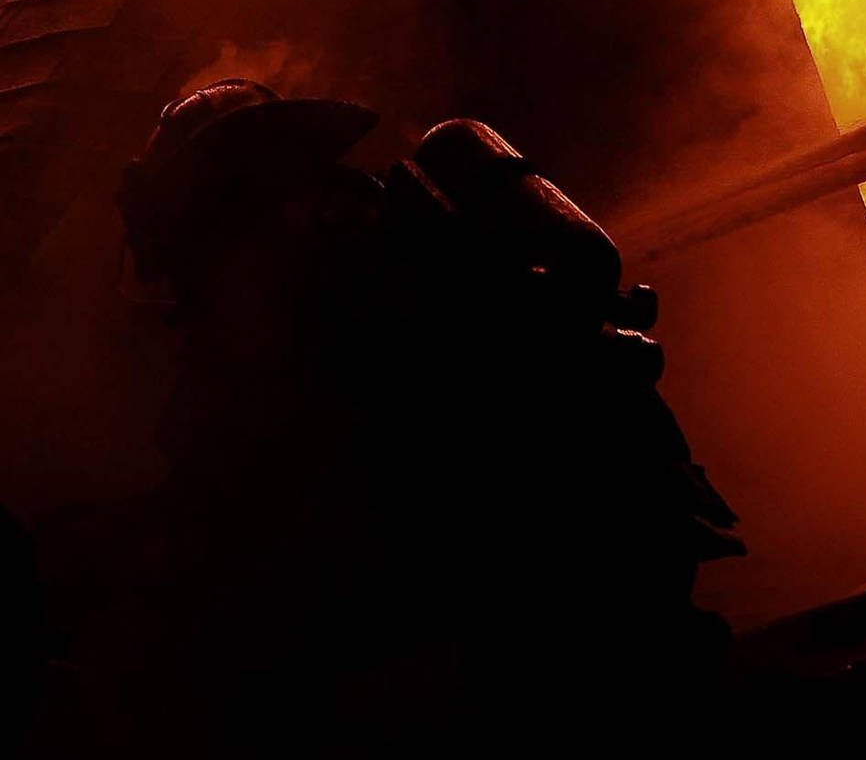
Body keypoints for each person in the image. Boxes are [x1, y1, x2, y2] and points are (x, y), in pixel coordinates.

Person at [41, 78, 742, 753]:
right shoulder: (358, 256)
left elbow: (335, 496)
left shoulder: (355, 284)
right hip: (568, 584)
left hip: (539, 608)